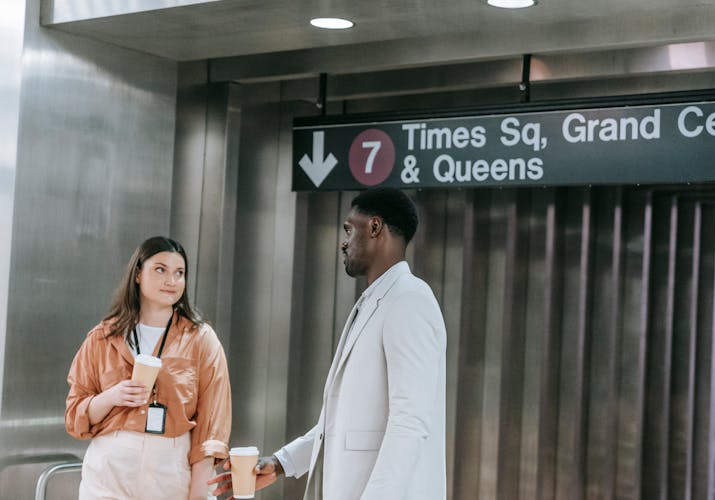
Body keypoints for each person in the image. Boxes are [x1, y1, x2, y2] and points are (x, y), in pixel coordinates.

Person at [211, 187, 447, 500]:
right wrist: (282, 463)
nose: (343, 242)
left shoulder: (409, 300)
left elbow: (410, 423)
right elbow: (339, 426)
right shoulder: (373, 302)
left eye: (349, 230)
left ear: (375, 227)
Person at [65, 236, 232, 500]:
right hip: (110, 467)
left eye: (180, 273)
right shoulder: (103, 337)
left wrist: (200, 492)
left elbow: (212, 424)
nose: (172, 280)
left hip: (170, 468)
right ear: (138, 274)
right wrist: (111, 397)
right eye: (160, 269)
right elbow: (74, 417)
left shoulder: (201, 339)